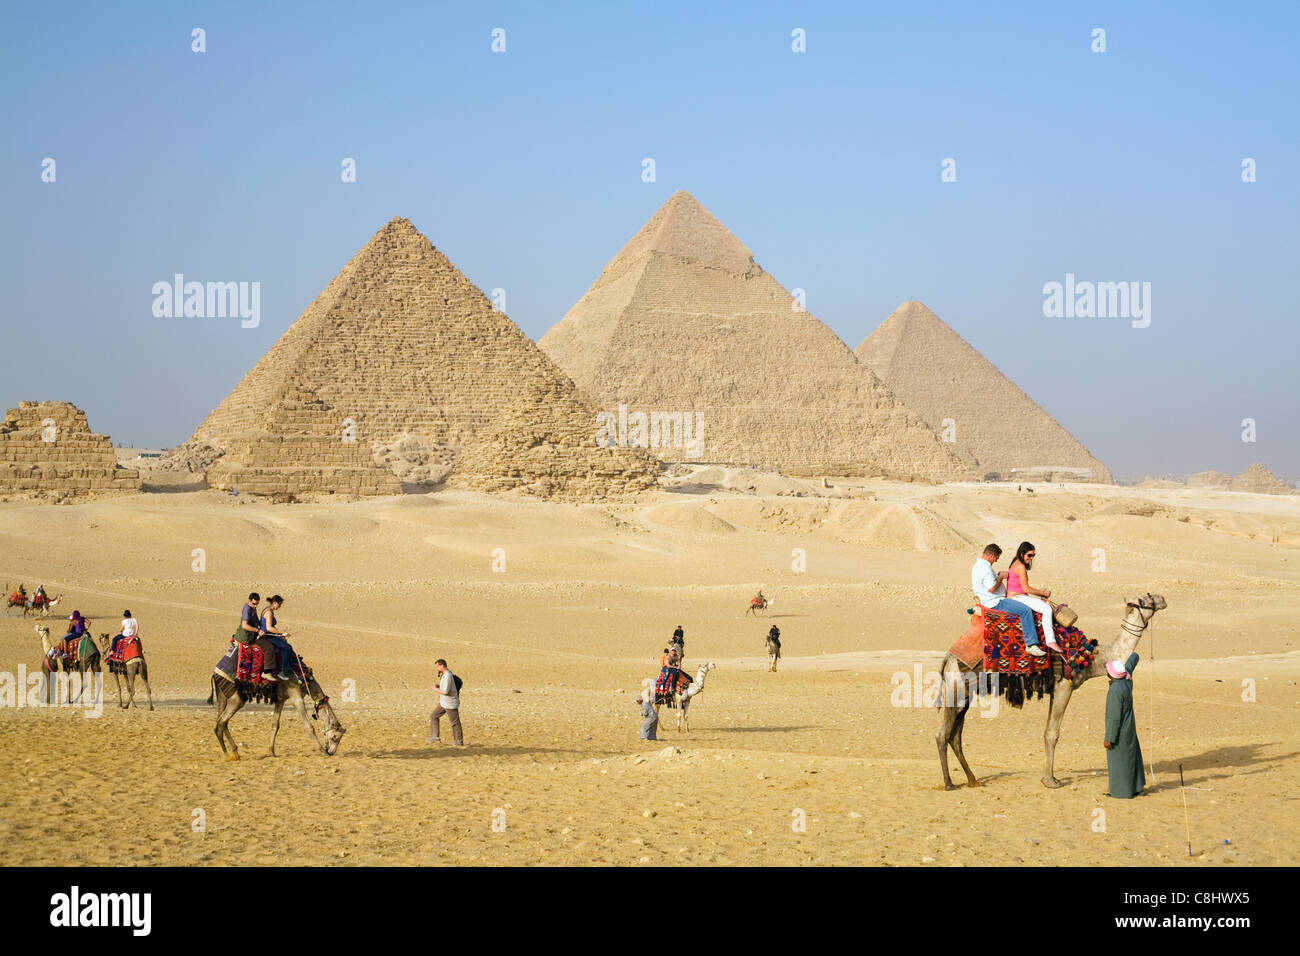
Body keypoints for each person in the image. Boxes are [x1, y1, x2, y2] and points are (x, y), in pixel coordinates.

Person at [970, 544, 1045, 657]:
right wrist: (1001, 577)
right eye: (996, 558)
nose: (995, 561)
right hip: (996, 602)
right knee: (1025, 610)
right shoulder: (984, 568)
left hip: (993, 600)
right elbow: (991, 588)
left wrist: (997, 576)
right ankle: (1031, 644)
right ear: (991, 555)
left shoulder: (978, 566)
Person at [1006, 542, 1061, 652]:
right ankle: (1050, 641)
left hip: (1017, 596)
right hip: (1017, 597)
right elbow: (1026, 589)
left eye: (1033, 556)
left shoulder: (1015, 562)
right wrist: (1043, 593)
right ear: (1022, 554)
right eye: (1029, 555)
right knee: (1047, 609)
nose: (1031, 558)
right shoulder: (1020, 566)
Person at [1104, 653, 1145, 798]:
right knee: (1131, 757)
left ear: (1111, 675)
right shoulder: (1127, 681)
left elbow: (1114, 717)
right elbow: (1131, 664)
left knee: (1119, 762)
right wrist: (1134, 654)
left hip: (1119, 731)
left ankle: (1122, 792)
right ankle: (1137, 787)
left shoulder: (1115, 690)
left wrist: (1109, 738)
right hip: (1129, 728)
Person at [259, 595, 296, 680]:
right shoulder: (269, 612)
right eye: (279, 604)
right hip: (267, 636)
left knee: (284, 643)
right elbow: (269, 628)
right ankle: (283, 671)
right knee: (287, 648)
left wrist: (280, 634)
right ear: (275, 603)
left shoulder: (267, 609)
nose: (280, 606)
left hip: (269, 634)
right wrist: (282, 633)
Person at [428, 658, 464, 746]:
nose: (437, 669)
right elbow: (446, 687)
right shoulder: (445, 675)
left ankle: (459, 741)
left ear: (441, 666)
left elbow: (445, 691)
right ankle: (435, 737)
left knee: (455, 722)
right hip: (443, 703)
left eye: (437, 666)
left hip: (450, 703)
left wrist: (435, 689)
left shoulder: (448, 676)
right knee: (433, 716)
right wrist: (439, 686)